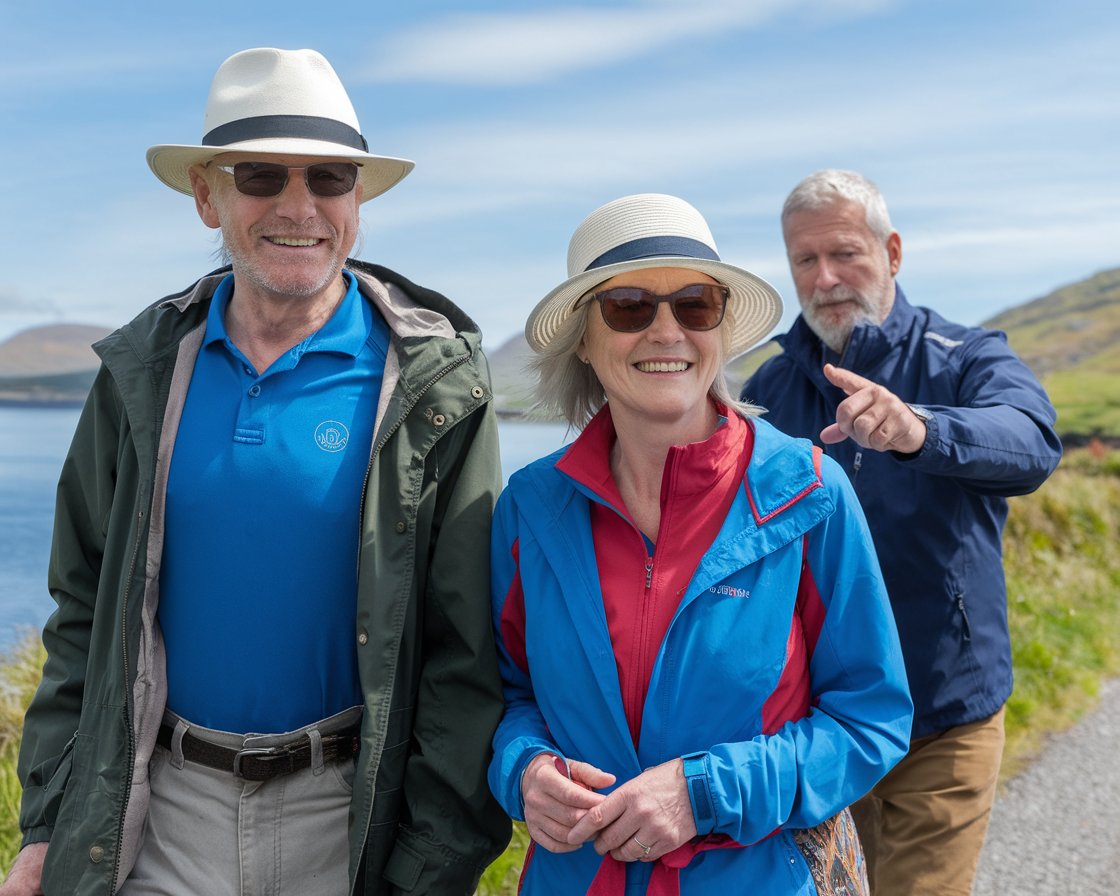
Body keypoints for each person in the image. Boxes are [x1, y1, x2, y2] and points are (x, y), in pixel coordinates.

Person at [2, 48, 509, 896]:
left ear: (360, 201)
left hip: (348, 822)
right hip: (160, 815)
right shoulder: (141, 374)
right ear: (208, 194)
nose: (300, 207)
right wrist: (50, 824)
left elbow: (468, 654)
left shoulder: (436, 386)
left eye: (331, 179)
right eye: (263, 176)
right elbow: (83, 614)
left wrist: (427, 865)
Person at [487, 192, 913, 894]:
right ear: (584, 340)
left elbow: (870, 719)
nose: (666, 331)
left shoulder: (809, 494)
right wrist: (525, 771)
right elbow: (505, 694)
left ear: (719, 331)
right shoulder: (530, 508)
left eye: (694, 305)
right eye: (628, 306)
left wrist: (705, 793)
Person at [740, 169, 1063, 895]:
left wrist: (920, 430)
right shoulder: (768, 390)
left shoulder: (966, 355)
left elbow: (1031, 439)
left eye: (845, 253)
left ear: (892, 251)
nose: (825, 278)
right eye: (804, 260)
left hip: (945, 720)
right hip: (821, 730)